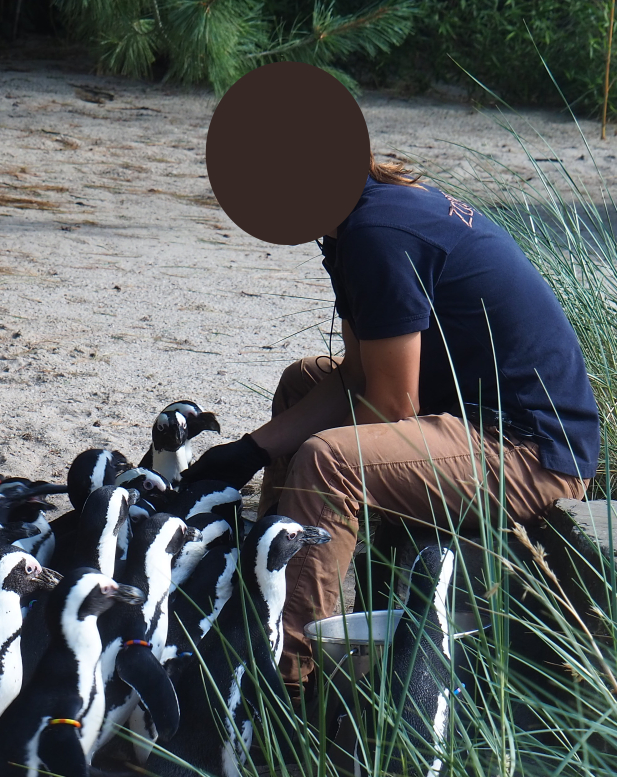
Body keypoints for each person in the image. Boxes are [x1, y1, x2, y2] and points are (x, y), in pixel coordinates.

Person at [184, 155, 600, 687]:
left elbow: (391, 407)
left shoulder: (375, 233)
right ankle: (261, 593)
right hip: (472, 420)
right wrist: (248, 451)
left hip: (530, 450)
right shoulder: (353, 218)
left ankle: (287, 682)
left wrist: (302, 460)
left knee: (329, 461)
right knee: (301, 382)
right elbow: (359, 377)